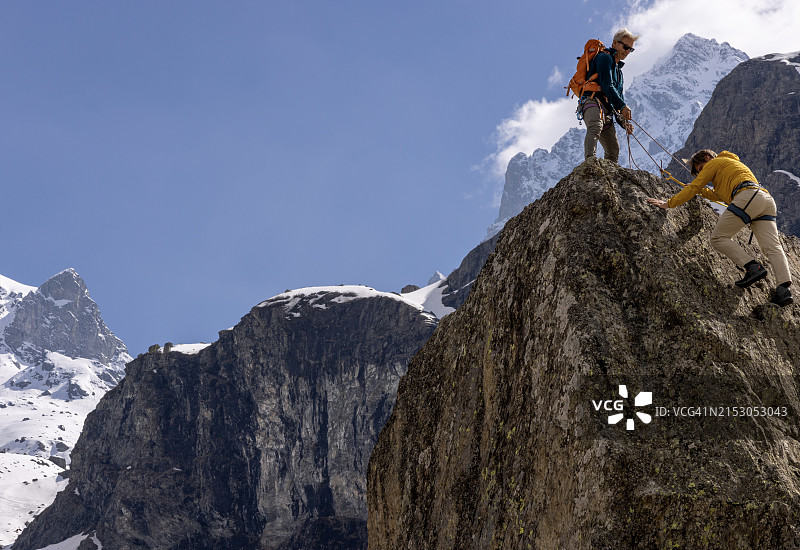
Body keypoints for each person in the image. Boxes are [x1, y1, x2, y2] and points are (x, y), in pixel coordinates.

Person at [647, 149, 793, 306]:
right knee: (772, 247)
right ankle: (783, 289)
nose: (701, 172)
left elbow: (695, 187)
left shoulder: (715, 162)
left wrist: (668, 204)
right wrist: (702, 191)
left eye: (701, 168)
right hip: (765, 200)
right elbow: (719, 195)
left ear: (708, 157)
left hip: (747, 196)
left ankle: (753, 267)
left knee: (718, 238)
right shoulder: (730, 166)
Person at [579, 28, 638, 163]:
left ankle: (609, 173)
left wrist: (624, 122)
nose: (627, 51)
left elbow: (618, 98)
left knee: (613, 149)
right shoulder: (604, 58)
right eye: (625, 47)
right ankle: (590, 163)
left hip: (607, 111)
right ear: (614, 43)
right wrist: (622, 106)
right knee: (595, 126)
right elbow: (607, 85)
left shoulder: (619, 73)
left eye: (630, 49)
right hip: (592, 101)